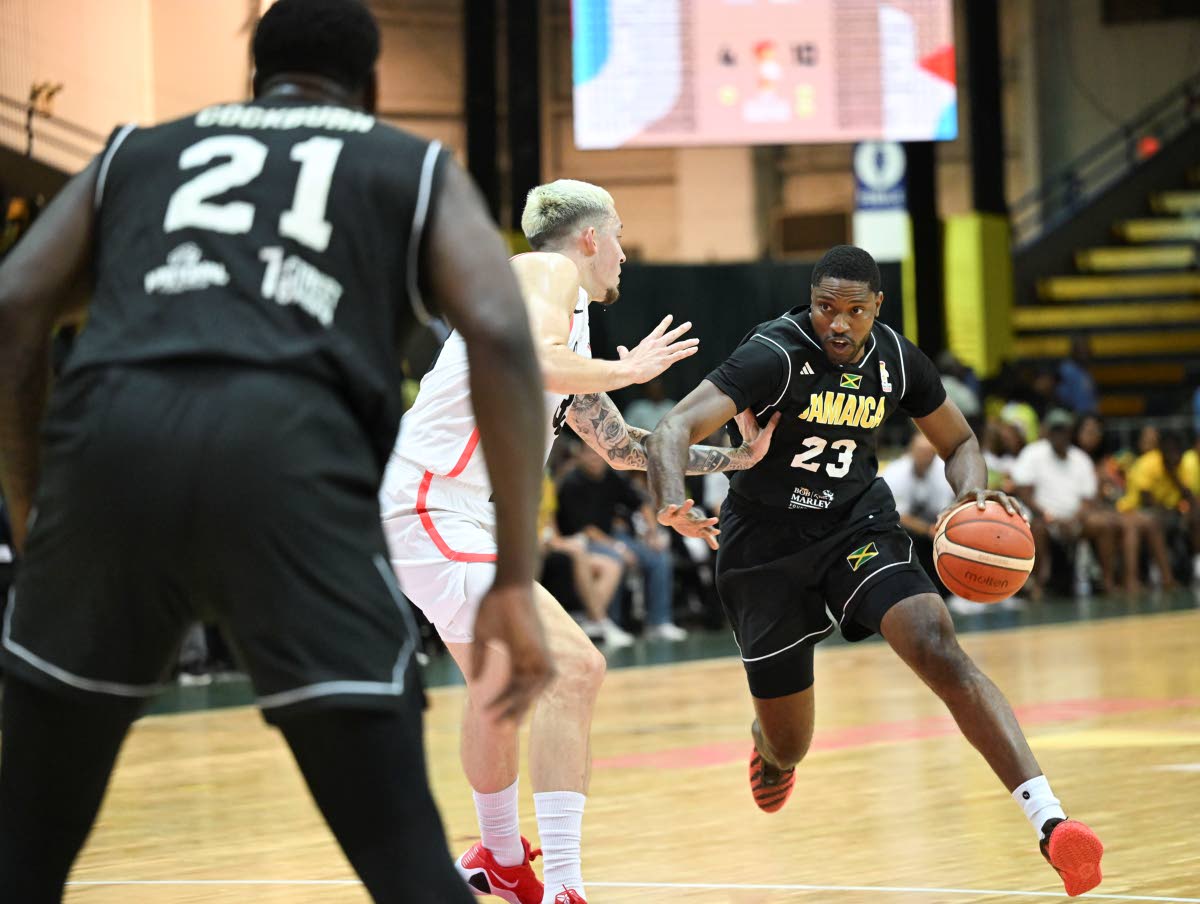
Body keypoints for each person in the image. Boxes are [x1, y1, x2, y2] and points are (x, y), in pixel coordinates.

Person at [0, 2, 553, 901]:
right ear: (370, 89)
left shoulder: (134, 151)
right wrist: (515, 579)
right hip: (290, 468)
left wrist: (36, 516)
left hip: (111, 459)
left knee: (21, 861)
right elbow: (497, 328)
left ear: (253, 74)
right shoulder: (408, 165)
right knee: (405, 860)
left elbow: (14, 306)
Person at [646, 245, 1104, 898]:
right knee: (790, 744)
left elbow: (962, 442)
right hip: (764, 549)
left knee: (936, 644)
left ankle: (1051, 822)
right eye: (825, 307)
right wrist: (670, 501)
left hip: (854, 527)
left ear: (876, 310)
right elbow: (675, 425)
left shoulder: (894, 359)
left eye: (853, 311)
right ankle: (769, 749)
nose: (837, 323)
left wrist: (971, 493)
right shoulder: (774, 354)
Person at [379, 178, 777, 904]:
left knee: (498, 690)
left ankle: (501, 860)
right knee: (574, 668)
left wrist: (731, 462)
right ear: (589, 237)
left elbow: (622, 445)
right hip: (431, 500)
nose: (624, 252)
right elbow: (533, 358)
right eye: (619, 234)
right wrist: (631, 369)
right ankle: (565, 887)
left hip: (445, 510)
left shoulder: (573, 321)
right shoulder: (543, 272)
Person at [1011, 409, 1123, 597]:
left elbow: (1088, 499)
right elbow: (1023, 491)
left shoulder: (1080, 458)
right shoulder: (1033, 453)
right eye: (1056, 430)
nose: (1059, 435)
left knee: (1105, 524)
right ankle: (1038, 585)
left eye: (1063, 430)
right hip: (1043, 518)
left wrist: (1075, 519)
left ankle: (1107, 581)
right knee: (1035, 528)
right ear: (1048, 432)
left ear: (1070, 432)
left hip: (1076, 519)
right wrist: (1048, 516)